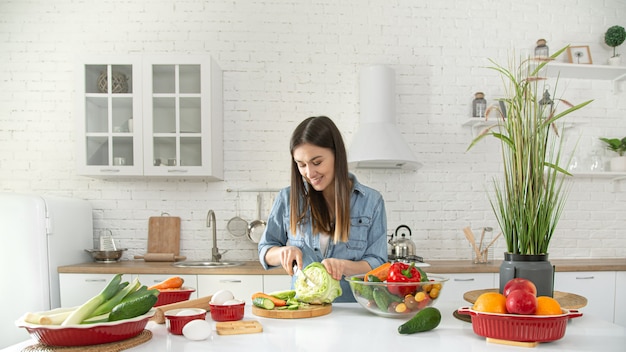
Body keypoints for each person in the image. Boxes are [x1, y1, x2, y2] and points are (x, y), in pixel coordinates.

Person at [258, 115, 388, 302]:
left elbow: (378, 263)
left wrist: (344, 266)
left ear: (337, 155)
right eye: (301, 165)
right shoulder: (287, 198)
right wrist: (282, 253)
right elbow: (265, 249)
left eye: (317, 162)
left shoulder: (371, 201)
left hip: (352, 309)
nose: (310, 174)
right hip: (304, 309)